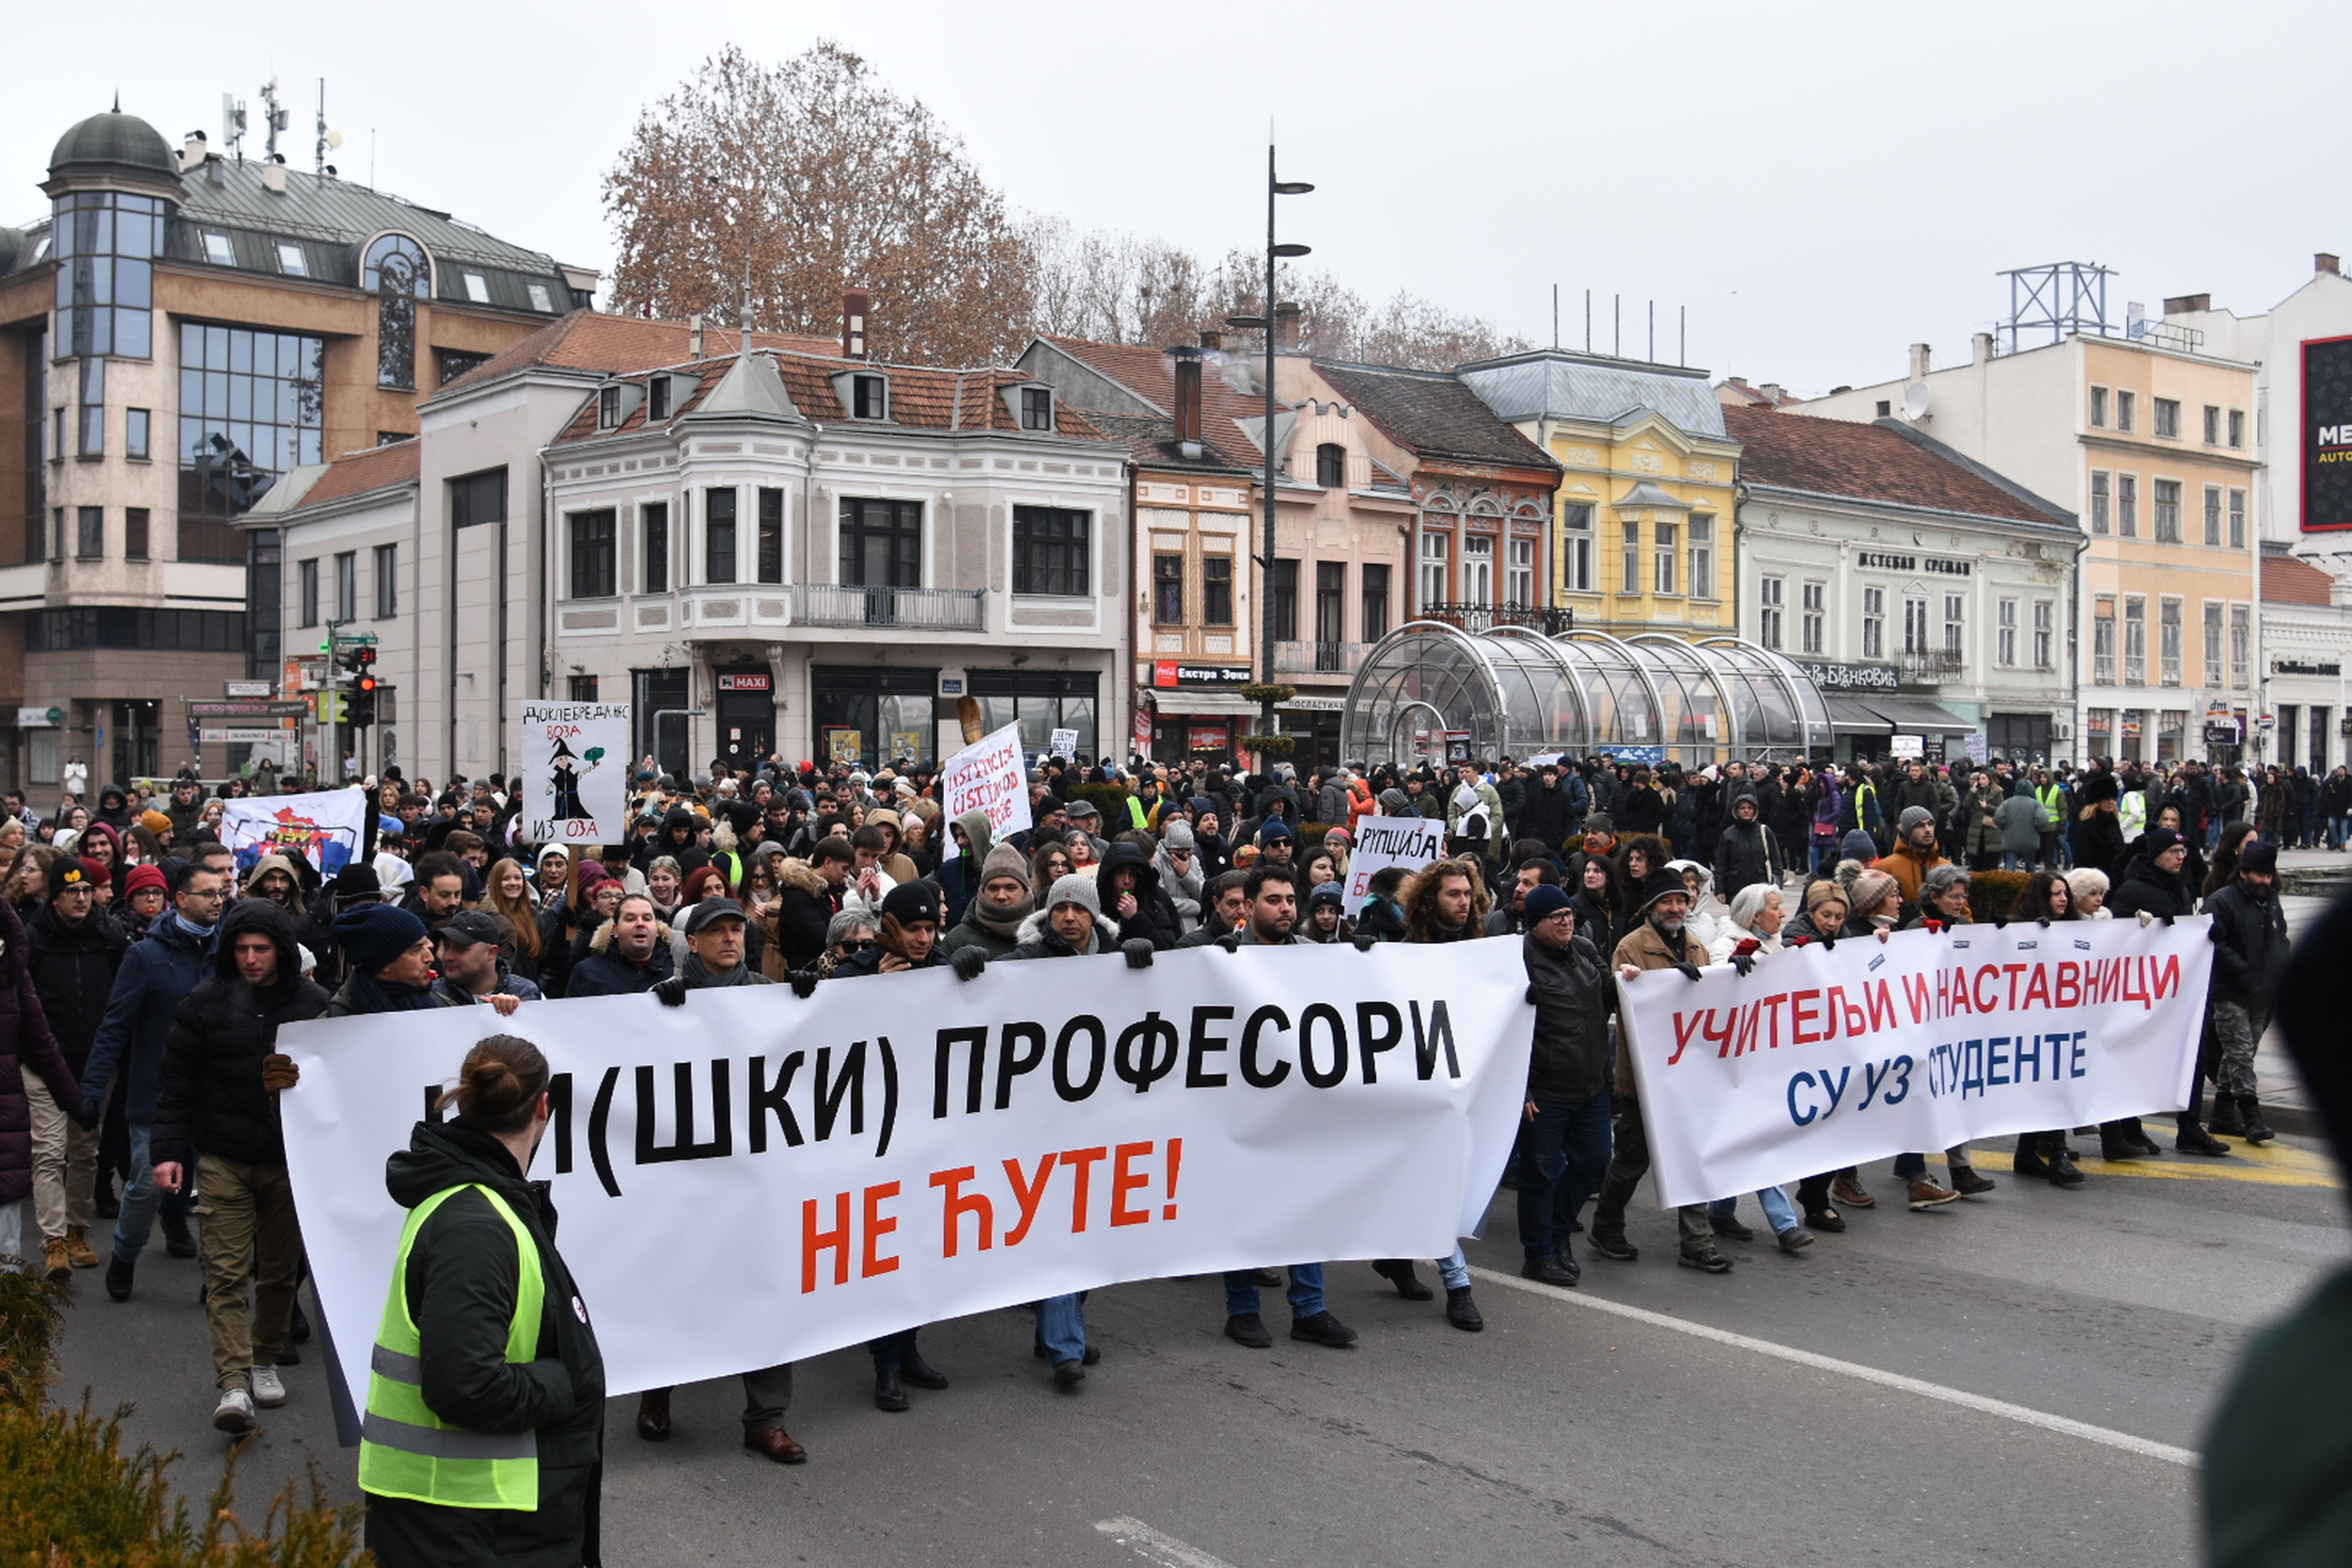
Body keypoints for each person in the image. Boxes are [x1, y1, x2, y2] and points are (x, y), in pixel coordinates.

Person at [359, 1035, 605, 1568]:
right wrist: (569, 1380)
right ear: (544, 1106)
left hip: (472, 1514)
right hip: (466, 1519)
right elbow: (466, 1386)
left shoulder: (481, 1203)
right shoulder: (476, 1227)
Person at [632, 898, 805, 1461]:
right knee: (680, 1287)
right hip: (689, 1171)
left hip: (757, 1171)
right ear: (695, 942)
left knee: (766, 1288)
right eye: (717, 931)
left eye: (737, 929)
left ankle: (767, 1417)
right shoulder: (666, 995)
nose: (730, 938)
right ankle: (656, 1394)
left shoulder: (768, 991)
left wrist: (814, 1004)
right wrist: (654, 1014)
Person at [150, 900, 328, 1434]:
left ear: (280, 951)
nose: (251, 959)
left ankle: (265, 1357)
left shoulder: (313, 1005)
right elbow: (176, 1084)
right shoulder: (203, 1004)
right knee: (225, 1273)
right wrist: (166, 1152)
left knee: (278, 1272)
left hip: (287, 1160)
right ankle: (232, 1381)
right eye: (242, 948)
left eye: (262, 948)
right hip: (223, 1157)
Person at [80, 858, 225, 1298]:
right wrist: (91, 1091)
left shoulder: (230, 952)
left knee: (216, 1191)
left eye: (222, 893)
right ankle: (124, 1255)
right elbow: (115, 1026)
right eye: (209, 894)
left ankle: (212, 1277)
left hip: (216, 1095)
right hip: (156, 1095)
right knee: (145, 1183)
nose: (219, 901)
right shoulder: (145, 956)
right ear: (181, 900)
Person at [1592, 868, 1732, 1273]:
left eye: (1682, 901)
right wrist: (1651, 982)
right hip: (1645, 1081)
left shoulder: (1696, 948)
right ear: (1651, 908)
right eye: (1668, 902)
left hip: (1690, 1080)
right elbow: (1625, 1002)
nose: (1676, 908)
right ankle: (1606, 1226)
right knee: (1632, 1161)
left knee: (1692, 1157)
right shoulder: (1631, 948)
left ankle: (1697, 1243)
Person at [24, 857, 126, 1281]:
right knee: (48, 1151)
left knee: (85, 1151)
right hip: (45, 1062)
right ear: (54, 896)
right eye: (72, 892)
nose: (82, 898)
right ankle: (54, 1242)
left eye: (87, 890)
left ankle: (78, 1231)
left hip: (95, 1063)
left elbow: (123, 1001)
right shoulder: (33, 940)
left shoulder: (111, 938)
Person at [1516, 885, 1614, 1285]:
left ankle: (1559, 1236)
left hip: (1591, 1086)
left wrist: (1640, 981)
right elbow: (1501, 1030)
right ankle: (1538, 1254)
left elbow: (1610, 994)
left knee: (1595, 1162)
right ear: (1535, 924)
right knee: (1540, 1173)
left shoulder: (1586, 951)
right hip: (1546, 1091)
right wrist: (1521, 1091)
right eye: (1557, 917)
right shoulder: (1518, 961)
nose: (1567, 921)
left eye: (1569, 915)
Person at [0, 897, 88, 1267]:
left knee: (6, 1254)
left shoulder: (10, 973)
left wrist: (75, 1102)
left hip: (4, 1122)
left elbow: (41, 1041)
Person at [2205, 841, 2288, 1145]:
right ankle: (2252, 1118)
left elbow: (2280, 938)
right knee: (2240, 1052)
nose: (2266, 882)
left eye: (2269, 876)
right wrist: (2244, 971)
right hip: (2229, 992)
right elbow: (2216, 944)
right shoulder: (2222, 902)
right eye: (2260, 876)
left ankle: (2223, 1115)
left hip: (2262, 994)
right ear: (2243, 873)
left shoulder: (2270, 901)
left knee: (2240, 1054)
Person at [563, 893, 675, 997]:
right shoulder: (588, 973)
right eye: (630, 919)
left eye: (647, 919)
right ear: (615, 930)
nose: (640, 924)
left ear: (657, 929)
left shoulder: (676, 971)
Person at [940, 844, 1034, 959]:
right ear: (982, 891)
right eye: (993, 888)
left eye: (1011, 888)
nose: (1001, 896)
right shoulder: (956, 942)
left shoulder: (1045, 937)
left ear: (1025, 891)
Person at [433, 911, 545, 1005]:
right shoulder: (432, 995)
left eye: (461, 949)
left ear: (491, 953)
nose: (448, 957)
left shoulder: (524, 992)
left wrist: (518, 1015)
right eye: (446, 947)